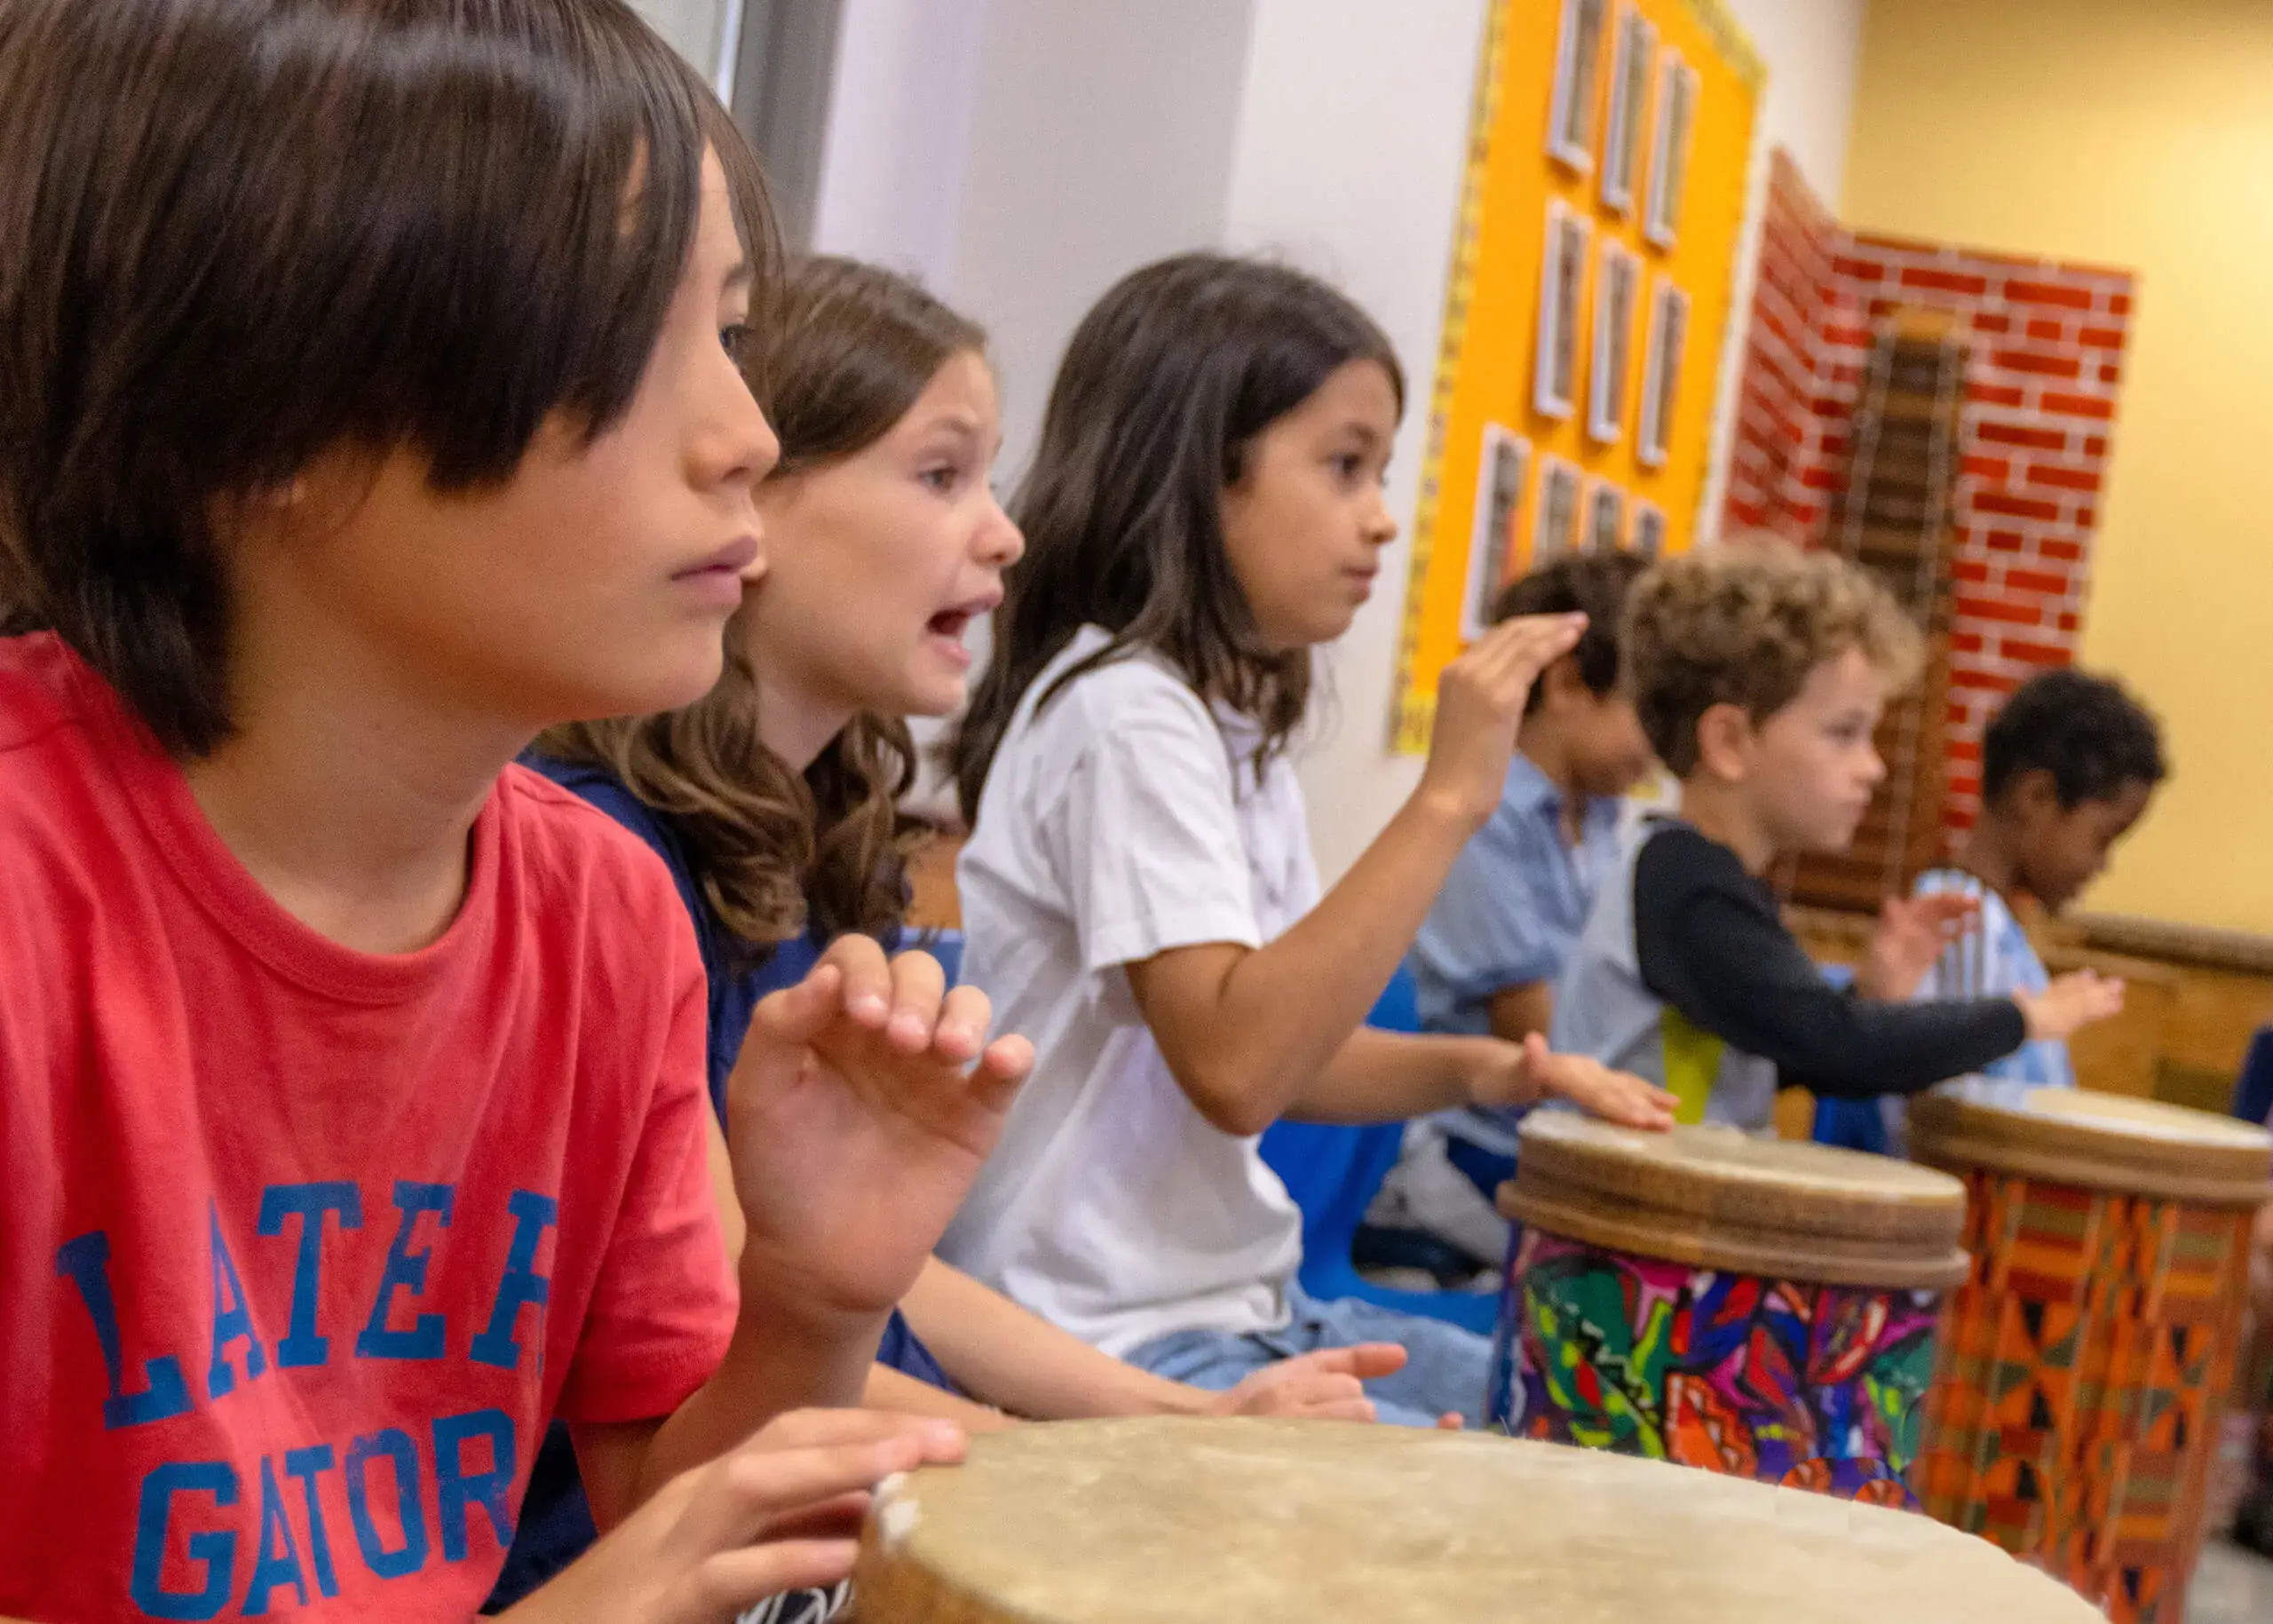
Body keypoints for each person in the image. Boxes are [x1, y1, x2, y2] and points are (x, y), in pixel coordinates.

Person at [0, 6, 1031, 1620]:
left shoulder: (604, 915)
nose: (744, 439)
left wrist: (815, 1295)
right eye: (633, 340)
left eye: (734, 339)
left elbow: (671, 1508)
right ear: (268, 401)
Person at [497, 257, 1412, 1610]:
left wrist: (1178, 1425)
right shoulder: (607, 864)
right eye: (942, 476)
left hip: (851, 1492)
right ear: (757, 492)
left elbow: (890, 1275)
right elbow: (737, 1354)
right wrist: (1134, 1459)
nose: (1004, 535)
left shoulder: (814, 860)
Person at [940, 253, 1676, 1430]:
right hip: (1098, 1338)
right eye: (1344, 465)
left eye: (1380, 471)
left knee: (1600, 1420)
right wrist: (1445, 802)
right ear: (1199, 473)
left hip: (1237, 1311)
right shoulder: (1125, 711)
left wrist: (1487, 1071)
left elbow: (1289, 1052)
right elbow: (1239, 1069)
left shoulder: (1229, 728)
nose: (1382, 516)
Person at [1549, 543, 2125, 1131]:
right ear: (1730, 741)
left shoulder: (1701, 876)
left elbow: (1780, 1048)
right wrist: (2022, 1017)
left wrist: (1868, 994)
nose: (1872, 767)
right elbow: (1832, 1044)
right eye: (1844, 733)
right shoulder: (1687, 886)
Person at [1369, 552, 1657, 1272]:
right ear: (1566, 684)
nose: (1661, 748)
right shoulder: (1486, 816)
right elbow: (1537, 1033)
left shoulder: (1598, 819)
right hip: (1467, 1144)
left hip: (1540, 1128)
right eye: (1649, 710)